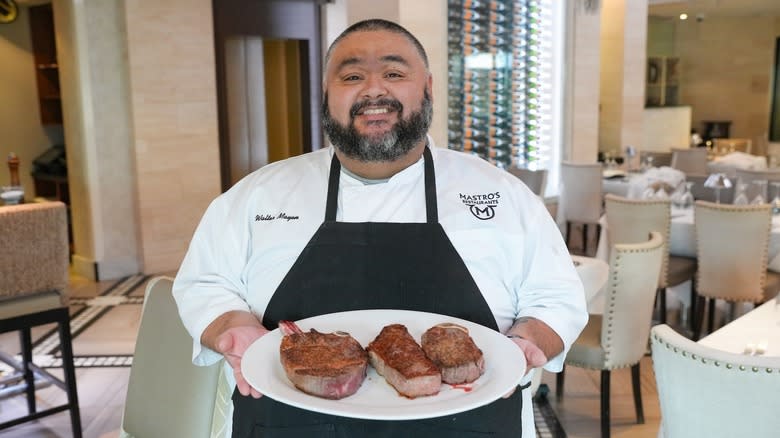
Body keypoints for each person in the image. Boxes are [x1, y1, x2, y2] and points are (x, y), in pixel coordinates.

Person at [173, 18, 587, 438]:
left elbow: (556, 297)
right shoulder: (257, 195)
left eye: (393, 73)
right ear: (325, 95)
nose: (373, 90)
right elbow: (205, 281)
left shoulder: (502, 195)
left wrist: (528, 341)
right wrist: (230, 326)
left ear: (427, 88)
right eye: (352, 76)